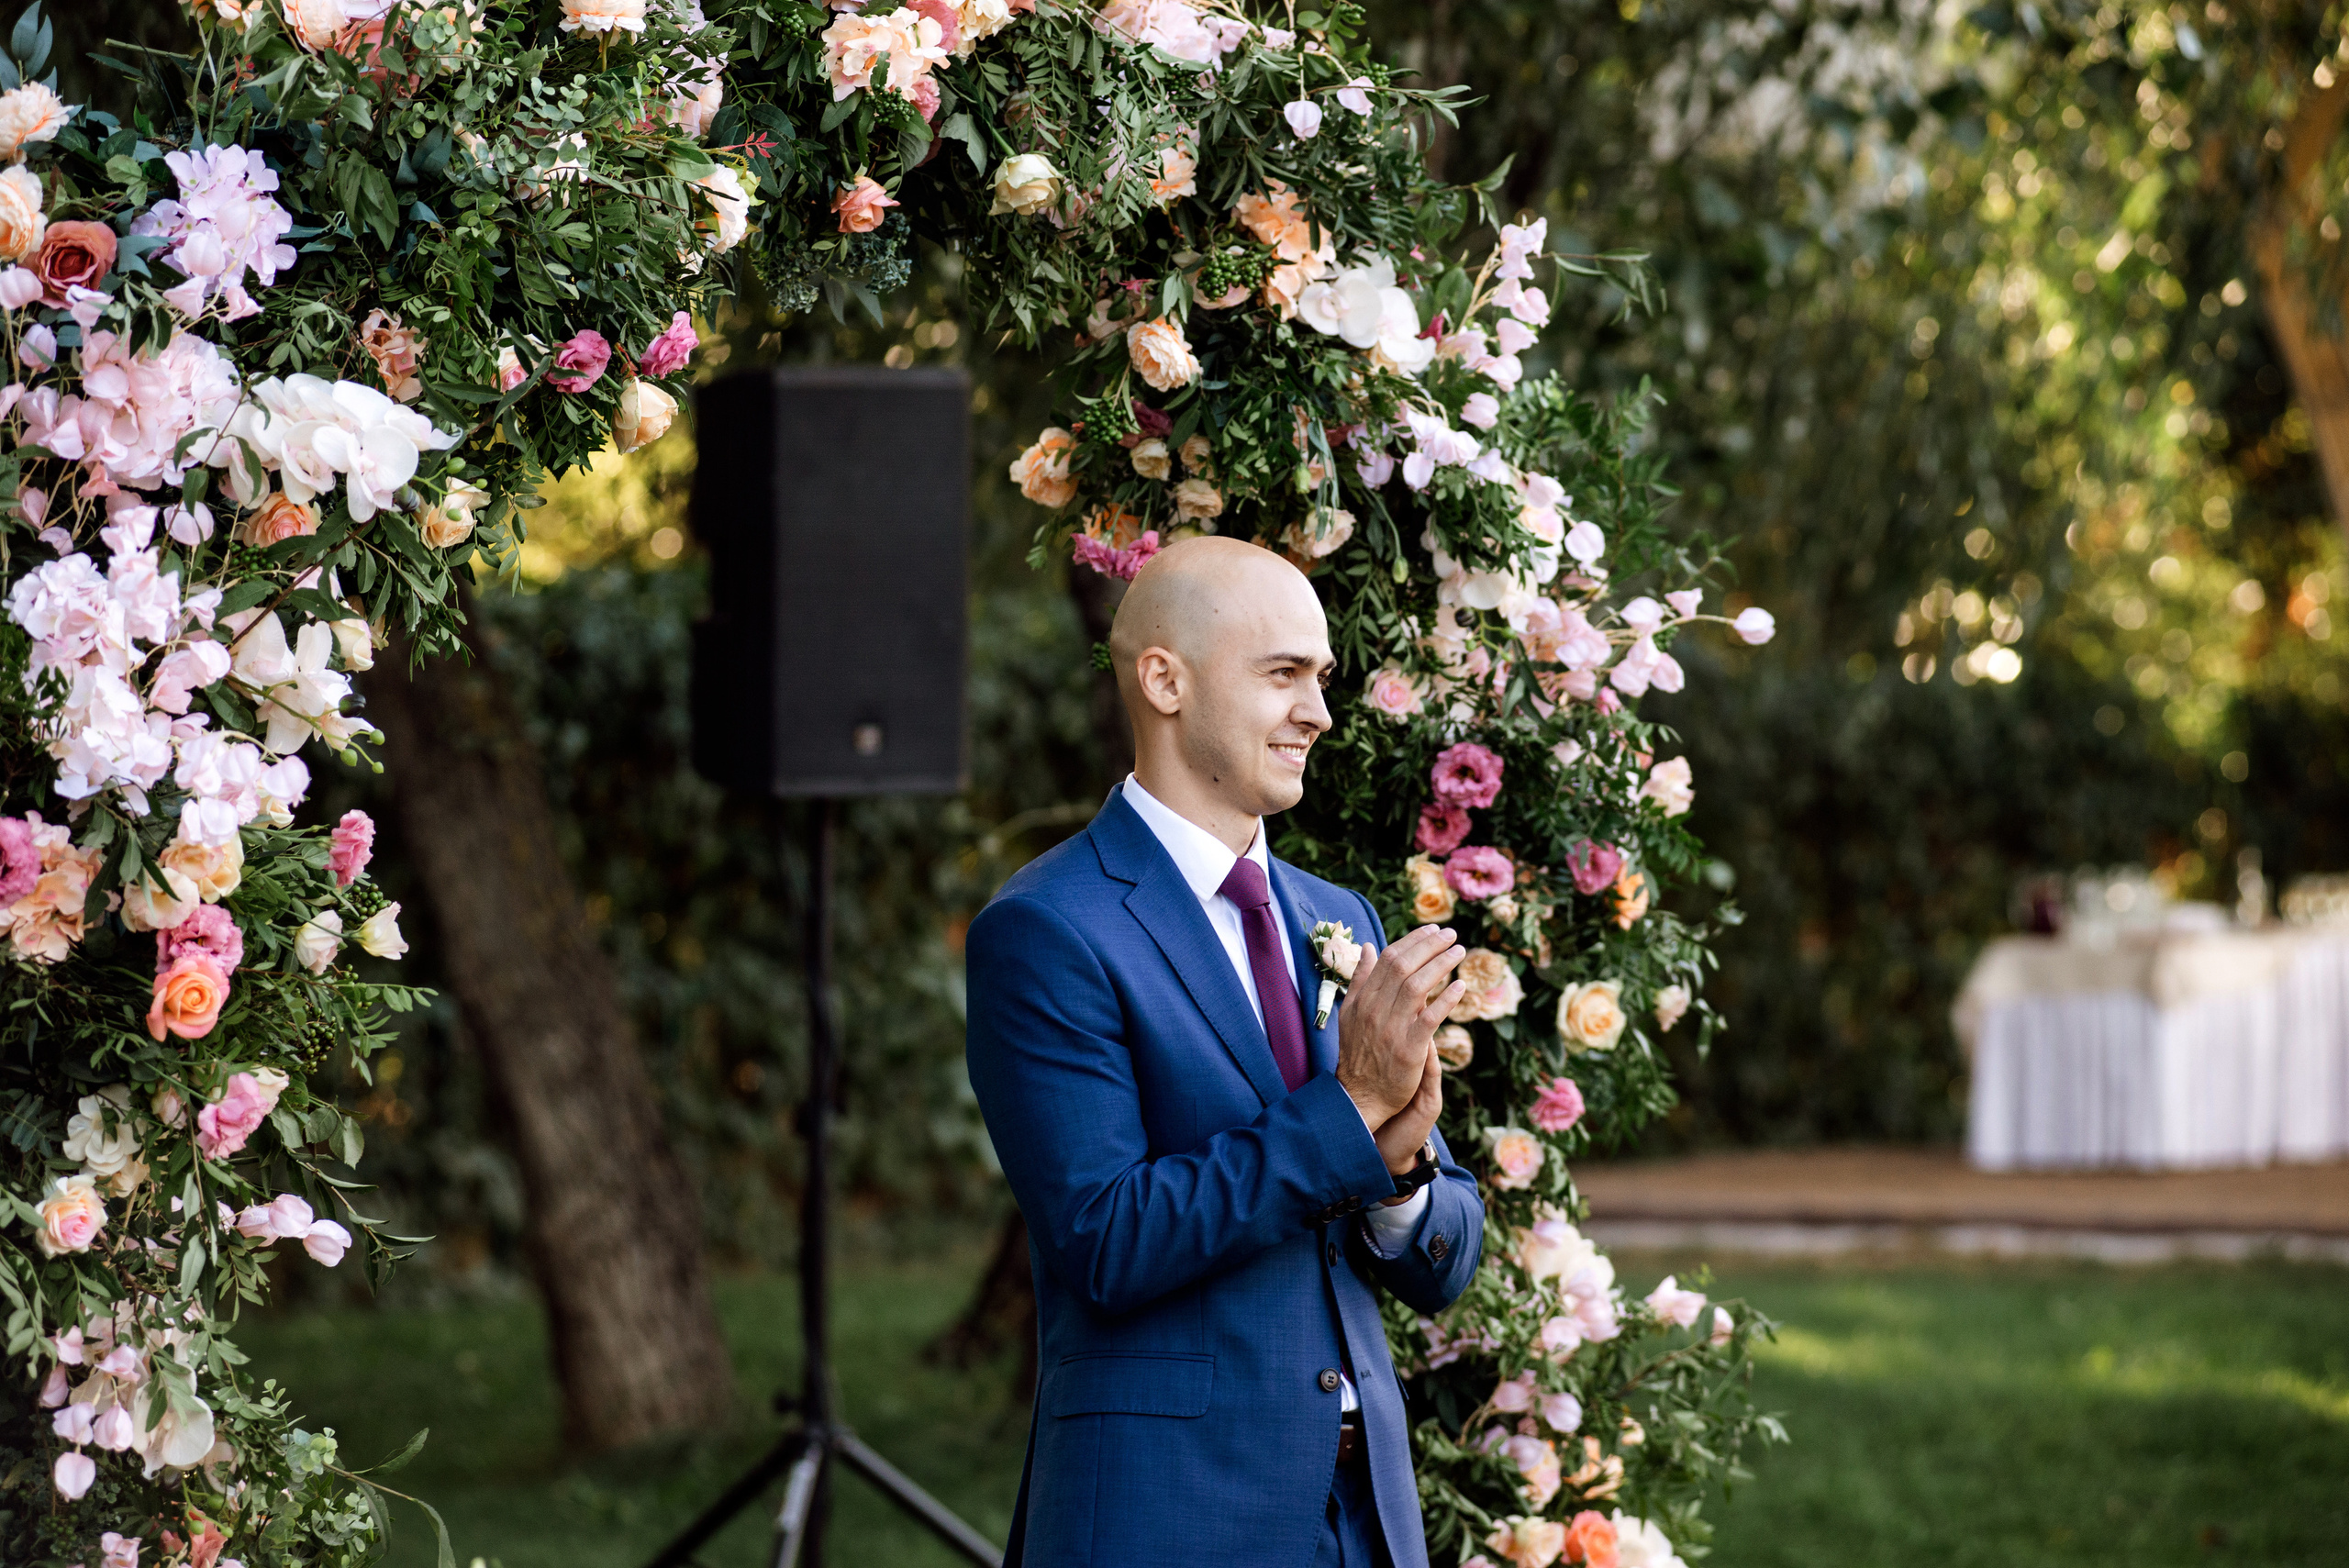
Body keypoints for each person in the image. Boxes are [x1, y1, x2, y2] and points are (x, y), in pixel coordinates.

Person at [965, 536, 1485, 1568]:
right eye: (1282, 673)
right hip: (1168, 1518)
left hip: (1365, 1522)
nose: (1319, 712)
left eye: (1323, 677)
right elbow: (1105, 1239)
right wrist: (1346, 1111)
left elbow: (1444, 1255)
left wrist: (1401, 1182)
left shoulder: (1337, 917)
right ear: (1164, 678)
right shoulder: (1049, 928)